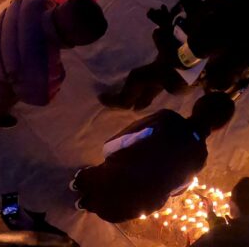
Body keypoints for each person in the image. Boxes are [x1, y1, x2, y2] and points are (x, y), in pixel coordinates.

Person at [99, 0, 249, 110]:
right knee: (156, 77)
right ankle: (144, 100)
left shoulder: (219, 31)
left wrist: (163, 29)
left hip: (182, 75)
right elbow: (202, 16)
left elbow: (180, 61)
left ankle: (124, 101)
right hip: (187, 58)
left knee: (138, 76)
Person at [71, 93, 236, 223]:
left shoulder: (167, 120)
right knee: (105, 203)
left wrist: (111, 157)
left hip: (115, 176)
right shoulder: (200, 157)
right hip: (132, 206)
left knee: (96, 178)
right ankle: (86, 204)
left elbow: (122, 141)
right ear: (219, 127)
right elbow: (177, 190)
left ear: (197, 105)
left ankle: (78, 183)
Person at [0, 0, 108, 127]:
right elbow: (38, 96)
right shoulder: (41, 64)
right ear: (71, 41)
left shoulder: (37, 2)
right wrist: (57, 73)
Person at [191, 177, 249, 247]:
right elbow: (229, 235)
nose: (229, 202)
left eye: (232, 198)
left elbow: (221, 237)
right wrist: (210, 213)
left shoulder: (221, 235)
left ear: (236, 204)